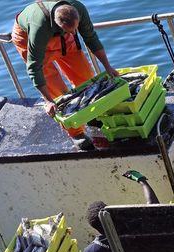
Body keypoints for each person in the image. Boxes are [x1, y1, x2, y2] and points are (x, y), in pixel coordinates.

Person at [11, 0, 118, 150]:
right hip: (28, 37)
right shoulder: (39, 28)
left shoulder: (78, 9)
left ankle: (91, 114)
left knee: (86, 77)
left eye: (76, 28)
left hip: (62, 35)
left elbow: (91, 37)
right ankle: (76, 133)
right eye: (71, 30)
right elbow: (35, 67)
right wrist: (48, 100)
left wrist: (108, 66)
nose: (75, 33)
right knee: (58, 93)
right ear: (59, 25)